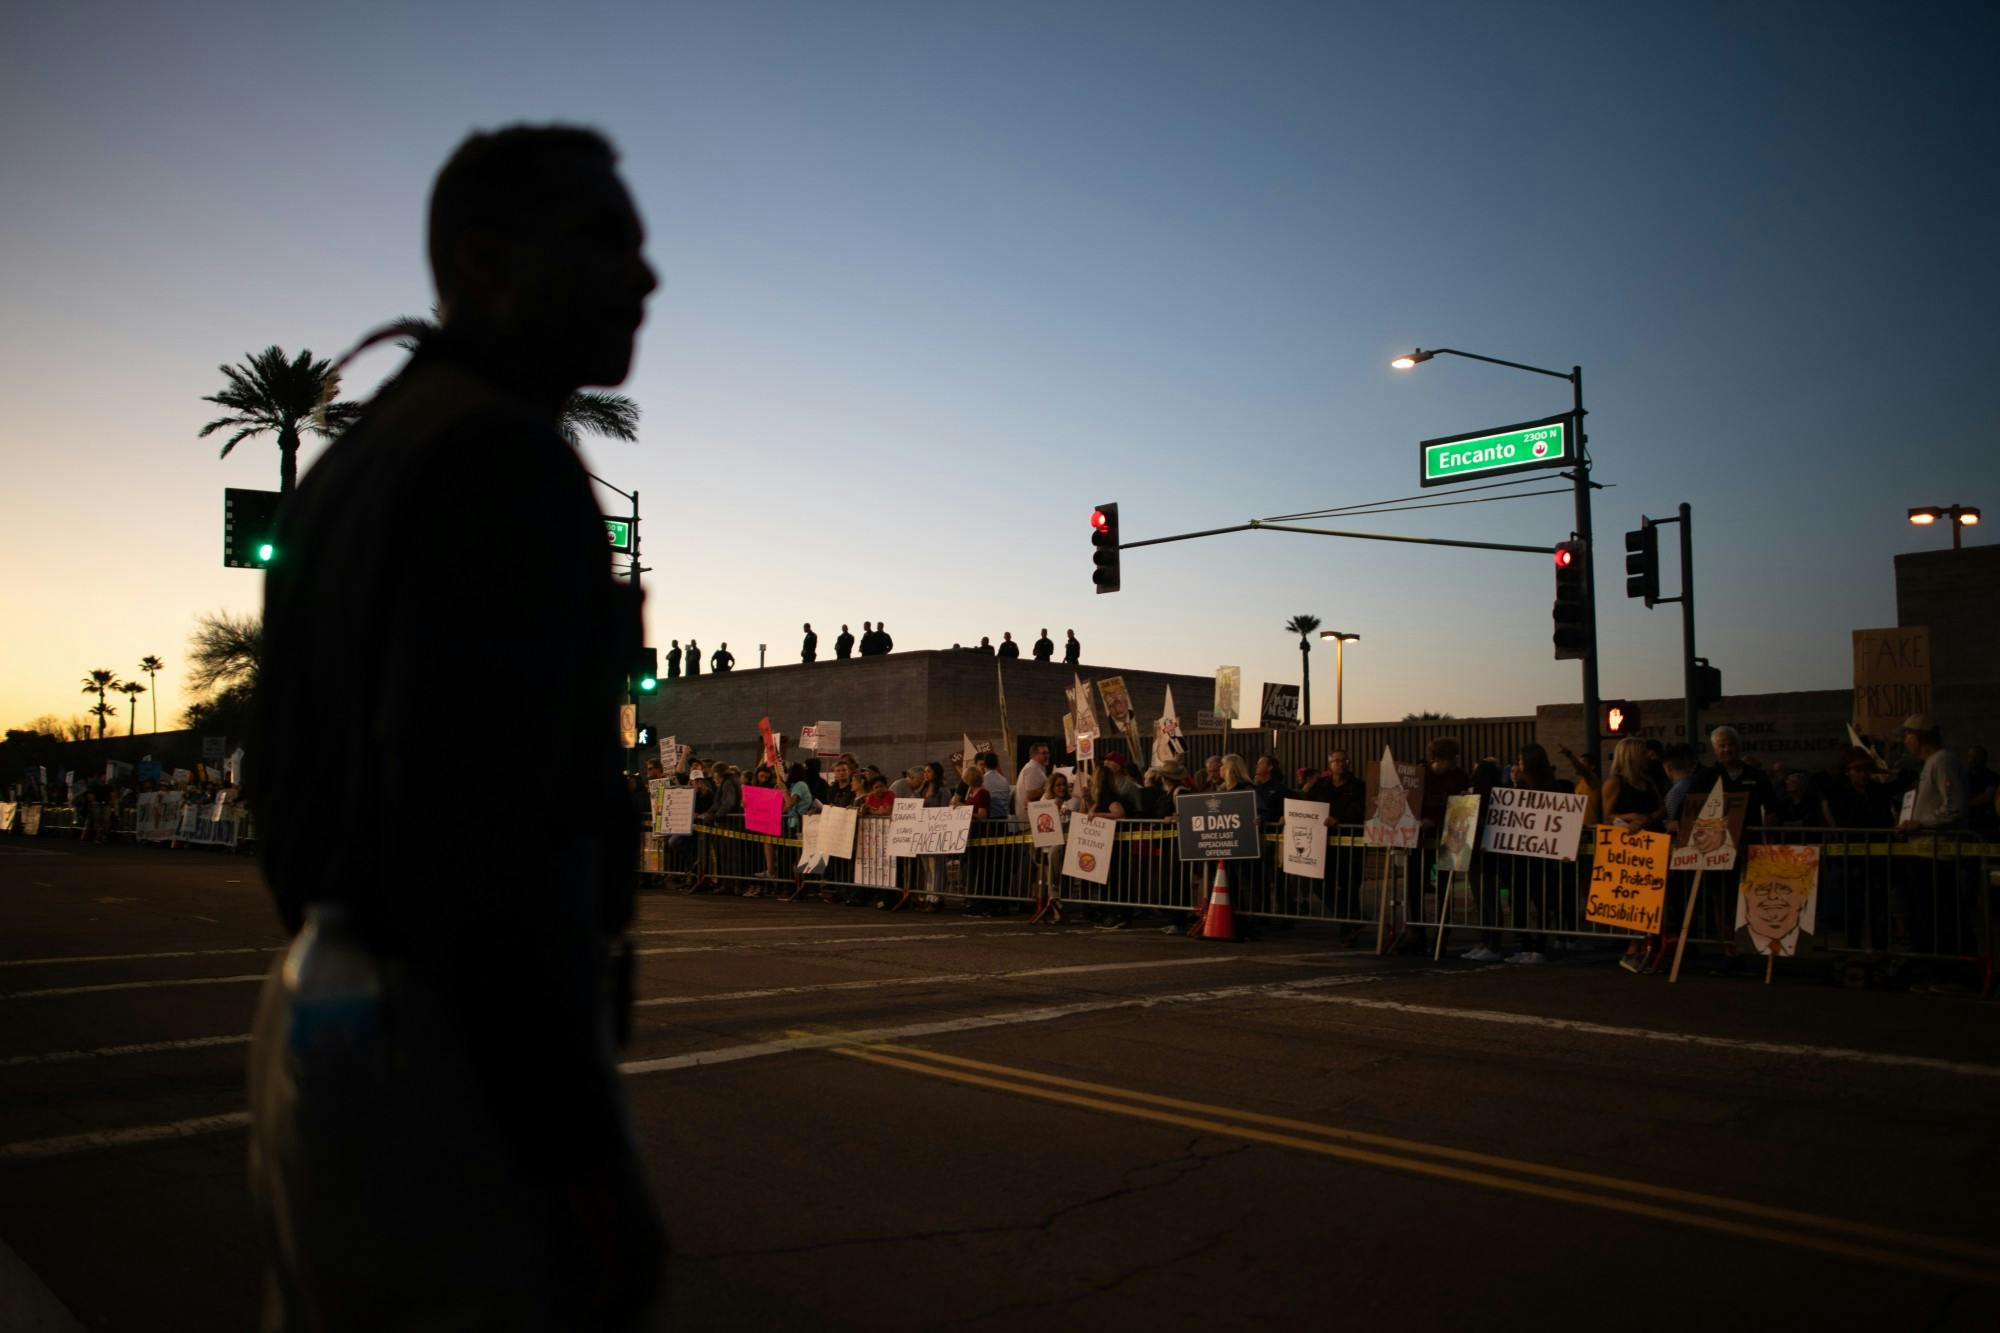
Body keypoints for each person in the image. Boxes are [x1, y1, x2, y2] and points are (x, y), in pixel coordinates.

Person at [251, 125, 661, 1328]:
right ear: (484, 262)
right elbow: (475, 846)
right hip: (450, 1066)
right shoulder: (501, 462)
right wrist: (583, 1163)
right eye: (604, 243)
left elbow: (298, 796)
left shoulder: (356, 464)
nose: (644, 277)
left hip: (333, 1016)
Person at [1601, 737, 1664, 972]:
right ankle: (1633, 947)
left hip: (1652, 842)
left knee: (1650, 898)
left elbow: (1661, 807)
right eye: (1643, 753)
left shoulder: (1649, 781)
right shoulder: (1614, 783)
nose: (1648, 757)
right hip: (1629, 849)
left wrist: (1651, 818)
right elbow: (1606, 815)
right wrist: (1631, 817)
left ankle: (1646, 947)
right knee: (1635, 899)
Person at [1897, 714, 1968, 833]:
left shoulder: (1942, 760)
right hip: (1927, 845)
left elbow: (1953, 807)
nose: (1905, 741)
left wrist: (1921, 823)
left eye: (1907, 735)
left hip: (1939, 845)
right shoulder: (1932, 762)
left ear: (1918, 737)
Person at [978, 751, 1013, 820]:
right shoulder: (1004, 780)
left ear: (984, 764)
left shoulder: (981, 780)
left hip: (989, 821)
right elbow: (1008, 798)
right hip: (1004, 819)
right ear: (997, 765)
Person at [1016, 743, 1051, 807]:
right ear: (1034, 755)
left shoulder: (1037, 767)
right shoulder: (1032, 768)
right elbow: (1031, 795)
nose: (1047, 756)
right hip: (1029, 814)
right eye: (1044, 753)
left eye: (1048, 753)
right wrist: (1050, 787)